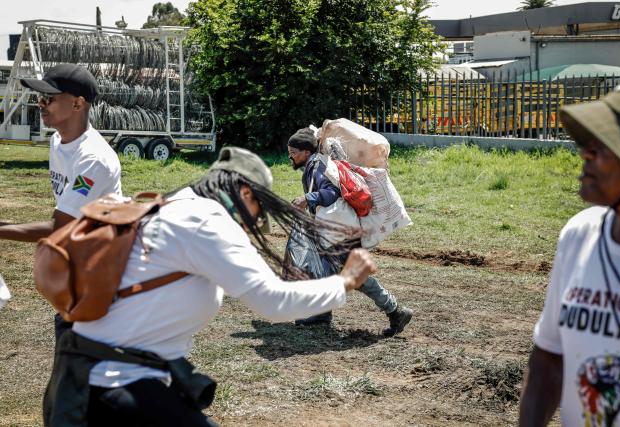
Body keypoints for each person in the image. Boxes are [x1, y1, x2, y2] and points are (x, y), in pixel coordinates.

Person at [45, 146, 377, 426]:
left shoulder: (170, 209)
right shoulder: (207, 220)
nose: (252, 222)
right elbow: (273, 302)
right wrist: (344, 282)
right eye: (257, 209)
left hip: (83, 380)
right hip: (116, 387)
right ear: (245, 192)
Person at [519, 82, 620, 427]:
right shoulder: (580, 234)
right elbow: (549, 359)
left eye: (604, 146)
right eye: (587, 143)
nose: (585, 153)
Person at [0, 63, 122, 339]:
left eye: (49, 99)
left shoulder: (93, 159)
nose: (41, 105)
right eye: (40, 98)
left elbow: (60, 227)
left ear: (78, 104)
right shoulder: (58, 141)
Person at [287, 127, 413, 337]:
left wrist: (307, 199)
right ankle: (322, 313)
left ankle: (396, 311)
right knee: (323, 267)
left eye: (293, 151)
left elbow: (332, 192)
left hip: (340, 231)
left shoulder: (317, 166)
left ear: (306, 152)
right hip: (339, 229)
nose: (290, 155)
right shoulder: (314, 164)